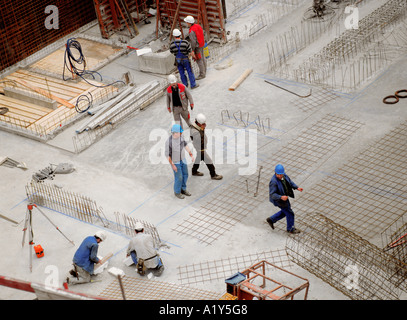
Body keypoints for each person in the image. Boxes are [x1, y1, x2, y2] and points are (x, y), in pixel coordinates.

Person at [266, 164, 303, 234]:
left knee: (285, 211)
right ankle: (290, 229)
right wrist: (281, 197)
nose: (280, 176)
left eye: (281, 174)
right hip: (279, 200)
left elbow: (290, 182)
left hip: (284, 198)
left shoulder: (284, 176)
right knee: (290, 213)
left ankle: (271, 219)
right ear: (275, 173)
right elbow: (272, 194)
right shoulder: (273, 182)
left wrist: (297, 187)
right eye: (278, 174)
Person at [165, 124, 195, 199]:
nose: (181, 133)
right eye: (180, 132)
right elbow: (167, 155)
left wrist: (190, 154)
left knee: (185, 174)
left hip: (183, 159)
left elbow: (185, 145)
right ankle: (177, 192)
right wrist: (173, 165)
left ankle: (183, 189)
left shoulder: (181, 138)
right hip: (175, 162)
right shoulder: (169, 142)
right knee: (179, 177)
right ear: (175, 133)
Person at [190, 113, 222, 180]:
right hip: (200, 148)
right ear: (198, 123)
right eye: (203, 124)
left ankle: (194, 171)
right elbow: (199, 141)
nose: (205, 125)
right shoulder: (195, 132)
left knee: (198, 159)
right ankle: (213, 175)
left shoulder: (198, 126)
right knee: (209, 161)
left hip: (201, 148)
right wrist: (202, 150)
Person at [184, 15, 207, 80]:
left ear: (189, 23)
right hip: (202, 44)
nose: (186, 23)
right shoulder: (198, 26)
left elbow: (193, 42)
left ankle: (202, 74)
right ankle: (205, 70)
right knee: (203, 58)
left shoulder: (191, 31)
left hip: (197, 47)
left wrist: (192, 50)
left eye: (186, 22)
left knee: (199, 60)